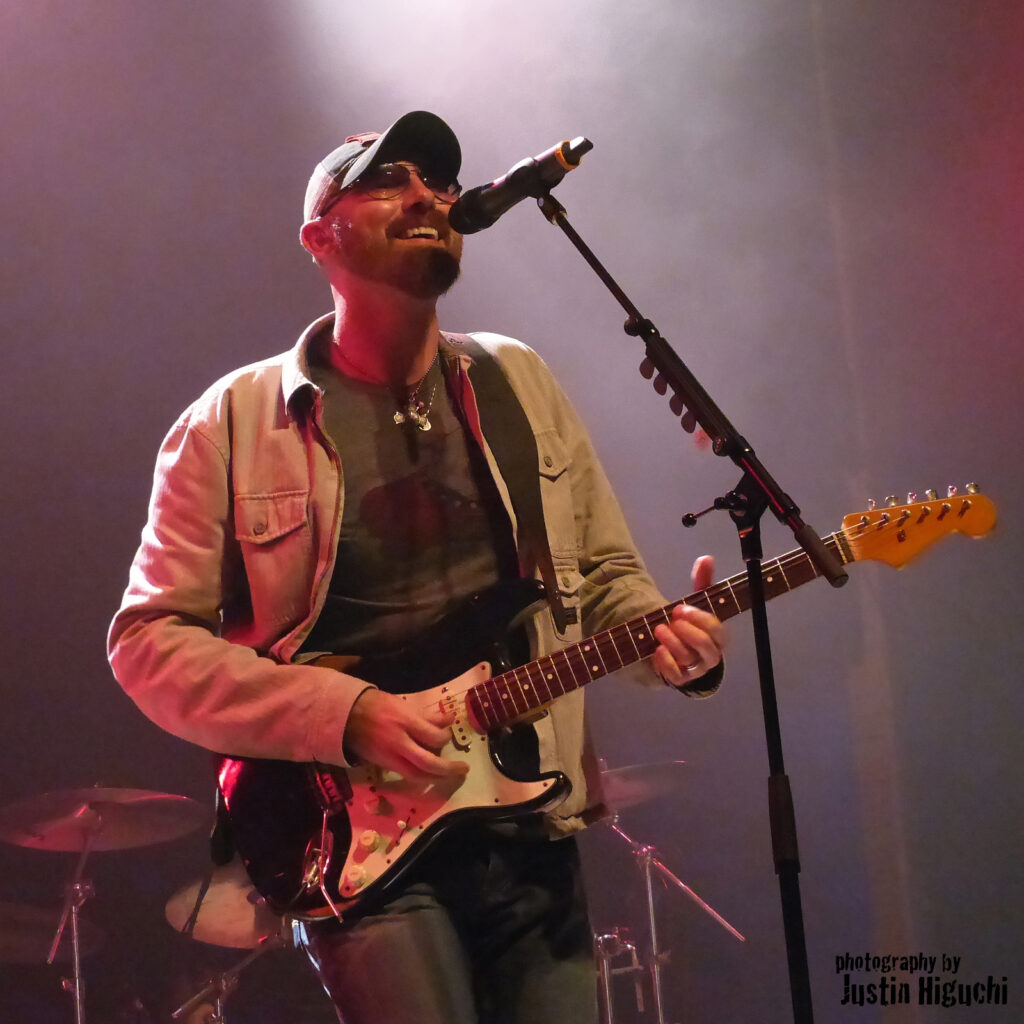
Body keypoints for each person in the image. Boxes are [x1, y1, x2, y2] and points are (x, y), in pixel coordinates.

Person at [108, 110, 726, 1024]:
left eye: (436, 179)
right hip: (353, 841)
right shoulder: (232, 423)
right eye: (387, 178)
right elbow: (149, 645)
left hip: (530, 816)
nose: (427, 193)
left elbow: (598, 576)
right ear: (322, 237)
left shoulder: (517, 380)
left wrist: (667, 639)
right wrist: (345, 713)